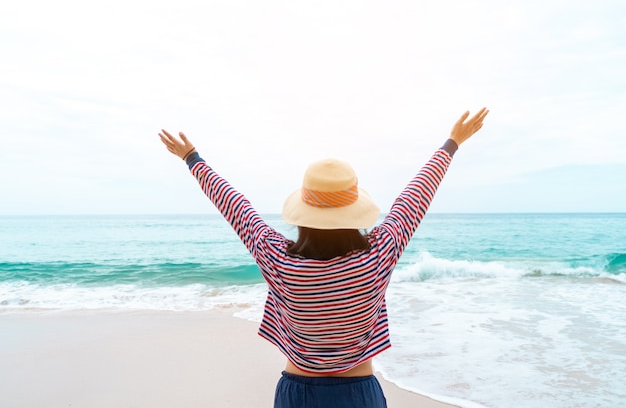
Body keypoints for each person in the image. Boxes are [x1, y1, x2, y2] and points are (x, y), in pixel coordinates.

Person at [158, 107, 489, 408]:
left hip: (297, 393)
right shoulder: (379, 254)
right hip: (359, 392)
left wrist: (192, 158)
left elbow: (236, 208)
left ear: (303, 213)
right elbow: (416, 195)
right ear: (355, 211)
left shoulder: (278, 258)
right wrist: (451, 144)